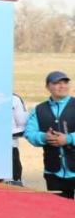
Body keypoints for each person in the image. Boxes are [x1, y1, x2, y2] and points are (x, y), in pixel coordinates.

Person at [25, 71, 75, 199]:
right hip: (53, 173)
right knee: (59, 210)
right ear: (47, 87)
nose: (62, 86)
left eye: (65, 82)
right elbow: (29, 133)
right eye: (57, 83)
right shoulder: (38, 109)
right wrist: (43, 137)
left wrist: (69, 138)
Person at [9, 93, 29, 186]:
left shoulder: (14, 99)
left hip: (10, 149)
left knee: (14, 186)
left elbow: (24, 126)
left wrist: (4, 135)